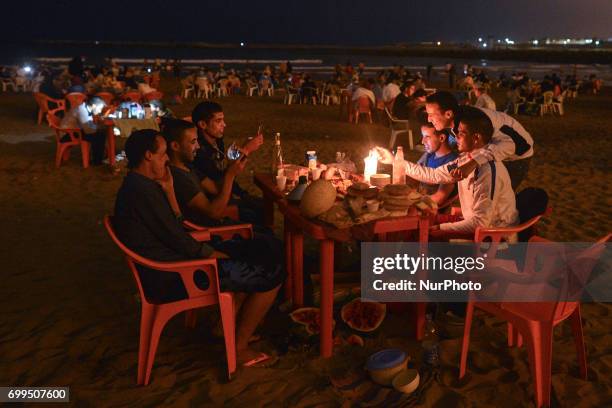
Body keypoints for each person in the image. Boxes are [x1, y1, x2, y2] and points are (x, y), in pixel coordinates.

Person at [113, 129, 284, 366]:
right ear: (148, 156)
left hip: (172, 261)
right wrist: (216, 255)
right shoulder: (142, 192)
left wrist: (170, 190)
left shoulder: (140, 184)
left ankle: (225, 326)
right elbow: (180, 239)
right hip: (172, 275)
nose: (166, 161)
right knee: (272, 273)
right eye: (162, 155)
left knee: (256, 249)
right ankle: (239, 347)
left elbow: (175, 226)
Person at [377, 106, 518, 239]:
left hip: (492, 236)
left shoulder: (488, 170)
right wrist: (394, 161)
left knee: (422, 232)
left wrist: (440, 228)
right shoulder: (465, 160)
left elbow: (480, 223)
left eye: (461, 133)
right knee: (417, 222)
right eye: (456, 132)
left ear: (476, 138)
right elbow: (434, 175)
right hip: (472, 222)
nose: (455, 137)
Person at [424, 91, 533, 190]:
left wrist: (473, 163)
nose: (428, 119)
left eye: (431, 115)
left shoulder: (477, 121)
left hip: (517, 155)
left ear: (448, 114)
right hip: (493, 151)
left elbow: (508, 145)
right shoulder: (456, 121)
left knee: (500, 193)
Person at [191, 102, 264, 225]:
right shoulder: (198, 152)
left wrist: (239, 150)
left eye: (223, 120)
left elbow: (223, 162)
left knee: (263, 205)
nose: (224, 125)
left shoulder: (217, 140)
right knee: (259, 211)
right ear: (202, 124)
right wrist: (246, 150)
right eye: (218, 121)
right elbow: (218, 184)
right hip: (218, 200)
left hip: (232, 191)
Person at [414, 120, 458, 205]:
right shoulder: (428, 155)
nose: (422, 141)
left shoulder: (452, 162)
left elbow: (439, 198)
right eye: (423, 136)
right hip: (422, 203)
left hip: (438, 212)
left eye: (427, 137)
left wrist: (412, 201)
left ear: (441, 138)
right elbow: (415, 174)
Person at [60, 96, 108, 165]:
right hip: (68, 134)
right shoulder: (82, 110)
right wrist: (100, 127)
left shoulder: (84, 108)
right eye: (99, 108)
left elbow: (88, 126)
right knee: (99, 136)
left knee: (100, 133)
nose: (100, 111)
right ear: (94, 106)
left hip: (73, 131)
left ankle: (99, 158)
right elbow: (89, 130)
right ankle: (97, 161)